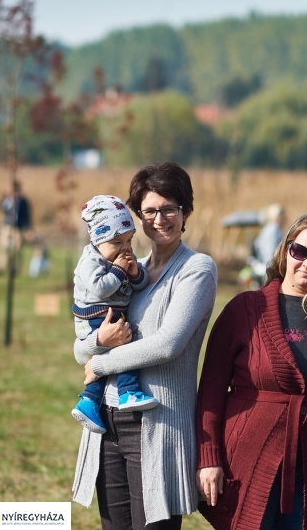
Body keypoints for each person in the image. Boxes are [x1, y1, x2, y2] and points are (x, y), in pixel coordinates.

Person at [71, 162, 218, 530]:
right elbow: (80, 350)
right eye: (149, 211)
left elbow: (168, 345)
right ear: (137, 216)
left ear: (186, 212)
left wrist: (101, 363)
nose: (159, 219)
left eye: (170, 209)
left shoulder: (196, 269)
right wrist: (98, 342)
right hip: (106, 420)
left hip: (158, 423)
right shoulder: (124, 271)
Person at [196, 212, 307, 530]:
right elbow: (210, 390)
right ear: (285, 250)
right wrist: (208, 458)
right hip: (246, 462)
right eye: (300, 251)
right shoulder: (245, 309)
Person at [70, 195, 158, 434]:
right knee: (125, 344)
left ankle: (89, 402)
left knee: (120, 345)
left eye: (129, 240)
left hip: (110, 313)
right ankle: (127, 391)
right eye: (117, 242)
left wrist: (134, 272)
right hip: (94, 316)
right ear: (98, 240)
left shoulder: (121, 257)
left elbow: (140, 283)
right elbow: (101, 288)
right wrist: (119, 269)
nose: (125, 248)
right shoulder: (90, 261)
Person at [0, 180, 32, 273]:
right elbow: (3, 208)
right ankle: (1, 267)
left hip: (17, 228)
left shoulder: (23, 201)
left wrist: (28, 229)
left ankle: (15, 268)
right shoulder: (8, 199)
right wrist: (6, 196)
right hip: (7, 226)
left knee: (17, 248)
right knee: (3, 247)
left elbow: (27, 216)